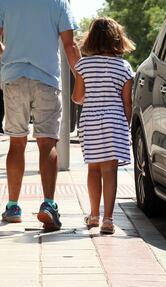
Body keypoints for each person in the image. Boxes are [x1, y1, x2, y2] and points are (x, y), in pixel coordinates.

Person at [0, 0, 81, 230]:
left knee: (17, 143)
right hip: (47, 79)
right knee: (47, 143)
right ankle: (48, 205)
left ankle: (13, 207)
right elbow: (70, 45)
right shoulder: (58, 3)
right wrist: (81, 79)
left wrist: (6, 56)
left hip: (14, 78)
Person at [72, 17, 135, 234]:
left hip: (91, 120)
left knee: (93, 167)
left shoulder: (83, 65)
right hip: (115, 120)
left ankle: (94, 215)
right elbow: (127, 102)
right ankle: (108, 219)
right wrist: (125, 126)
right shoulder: (124, 66)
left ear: (91, 38)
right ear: (118, 38)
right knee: (110, 170)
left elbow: (77, 97)